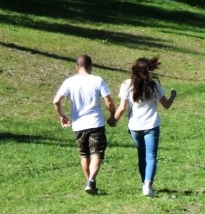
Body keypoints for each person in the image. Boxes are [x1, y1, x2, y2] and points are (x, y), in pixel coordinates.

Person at [111, 57, 177, 198]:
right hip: (151, 125)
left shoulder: (127, 85)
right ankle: (148, 185)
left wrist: (113, 119)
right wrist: (172, 96)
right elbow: (166, 105)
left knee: (142, 156)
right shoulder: (153, 86)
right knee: (151, 157)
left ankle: (144, 183)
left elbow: (122, 107)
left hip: (135, 126)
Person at [53, 54, 116, 195]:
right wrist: (112, 115)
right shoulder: (97, 80)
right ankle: (91, 181)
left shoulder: (70, 82)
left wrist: (62, 116)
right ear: (90, 67)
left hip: (78, 125)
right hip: (95, 123)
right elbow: (109, 102)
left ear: (77, 67)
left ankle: (90, 182)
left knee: (84, 154)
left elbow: (56, 101)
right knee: (96, 153)